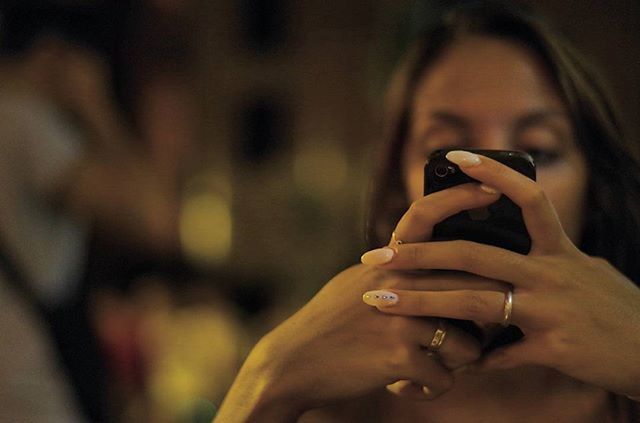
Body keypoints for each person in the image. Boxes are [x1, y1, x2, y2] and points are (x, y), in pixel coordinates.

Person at [214, 2, 640, 421]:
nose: (489, 184)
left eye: (538, 152)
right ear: (398, 179)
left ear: (596, 185)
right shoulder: (331, 397)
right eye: (450, 159)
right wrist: (270, 380)